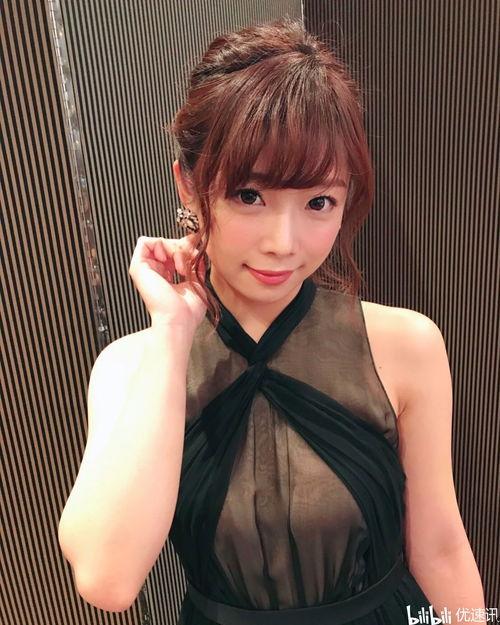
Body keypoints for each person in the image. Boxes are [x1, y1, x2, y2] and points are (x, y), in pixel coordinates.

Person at [58, 16, 485, 625]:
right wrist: (174, 333)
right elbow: (107, 578)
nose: (284, 243)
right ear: (189, 186)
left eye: (319, 203)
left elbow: (441, 547)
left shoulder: (404, 345)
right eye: (249, 196)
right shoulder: (132, 368)